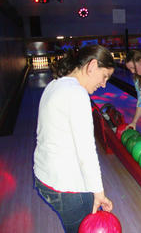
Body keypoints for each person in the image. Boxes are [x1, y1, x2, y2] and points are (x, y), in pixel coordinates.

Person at [34, 44, 115, 233]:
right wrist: (99, 193)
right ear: (92, 65)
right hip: (67, 187)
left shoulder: (55, 84)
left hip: (44, 176)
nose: (104, 84)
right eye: (105, 77)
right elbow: (86, 150)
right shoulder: (76, 94)